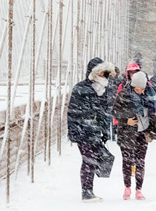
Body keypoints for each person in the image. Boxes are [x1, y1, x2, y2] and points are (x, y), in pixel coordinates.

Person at [67, 57, 116, 203]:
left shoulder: (104, 89)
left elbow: (104, 112)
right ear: (94, 73)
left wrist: (105, 131)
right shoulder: (81, 88)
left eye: (105, 73)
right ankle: (86, 192)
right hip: (83, 129)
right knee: (88, 160)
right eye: (101, 73)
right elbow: (73, 112)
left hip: (94, 130)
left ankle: (88, 190)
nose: (103, 76)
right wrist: (74, 131)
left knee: (92, 160)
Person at [113, 72, 156, 201]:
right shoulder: (124, 95)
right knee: (127, 161)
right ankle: (127, 187)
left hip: (143, 132)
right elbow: (114, 111)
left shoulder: (151, 94)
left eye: (142, 88)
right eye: (138, 89)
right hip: (126, 133)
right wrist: (125, 120)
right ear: (132, 86)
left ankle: (139, 189)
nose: (140, 91)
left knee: (140, 161)